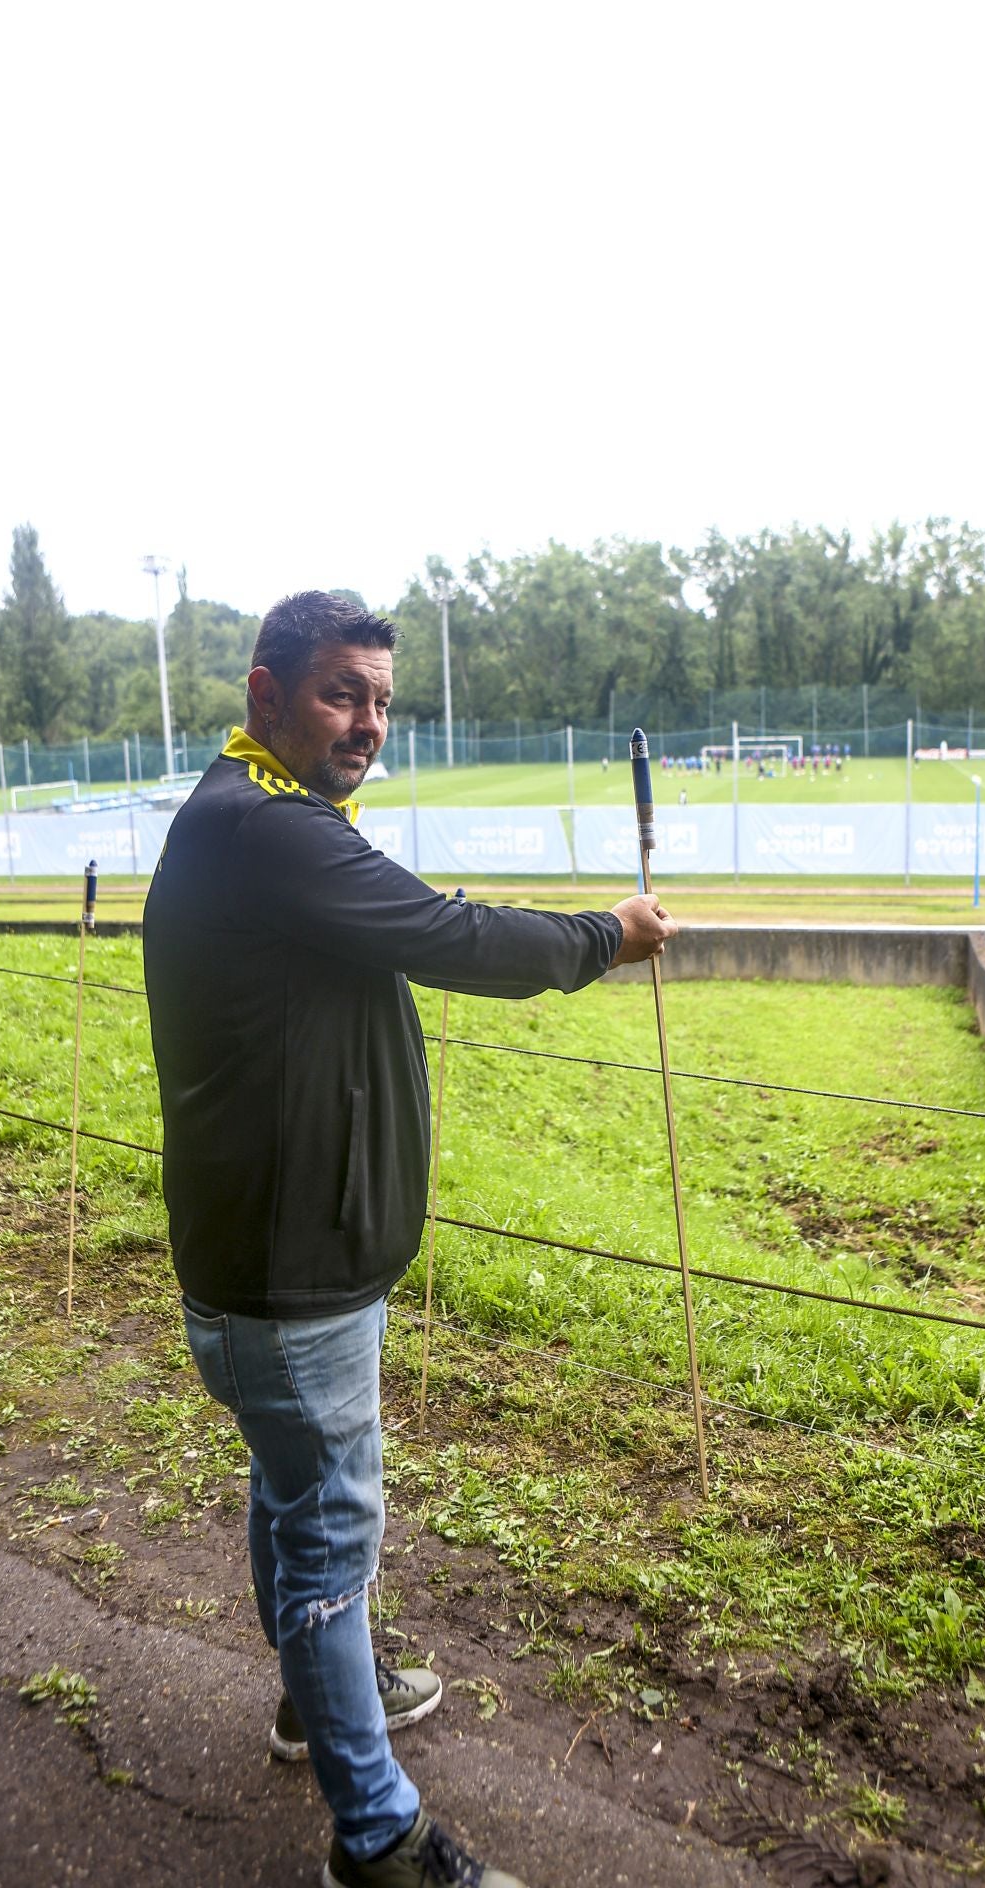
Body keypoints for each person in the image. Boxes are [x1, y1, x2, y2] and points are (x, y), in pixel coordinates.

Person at [143, 592, 675, 1888]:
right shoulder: (268, 832)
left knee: (293, 1499)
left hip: (258, 1268)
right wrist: (606, 936)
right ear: (267, 695)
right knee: (330, 1528)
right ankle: (377, 1836)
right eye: (342, 693)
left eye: (381, 698)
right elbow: (451, 933)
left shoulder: (256, 821)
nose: (369, 722)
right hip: (290, 1279)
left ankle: (313, 1698)